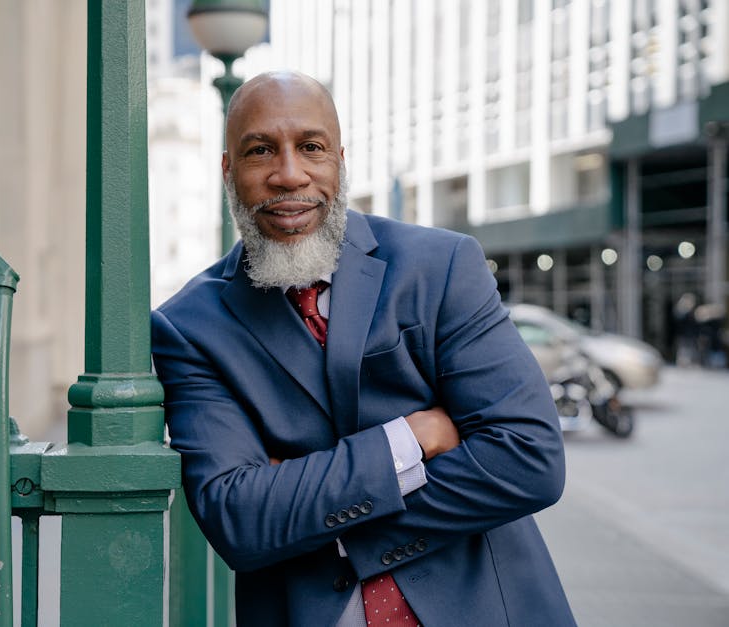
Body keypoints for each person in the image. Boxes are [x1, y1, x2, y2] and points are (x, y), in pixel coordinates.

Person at [151, 70, 575, 626]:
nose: (289, 173)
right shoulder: (188, 326)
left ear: (340, 160)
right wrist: (410, 439)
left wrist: (314, 511)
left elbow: (529, 458)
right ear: (229, 171)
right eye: (260, 151)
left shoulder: (441, 266)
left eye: (311, 147)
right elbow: (240, 520)